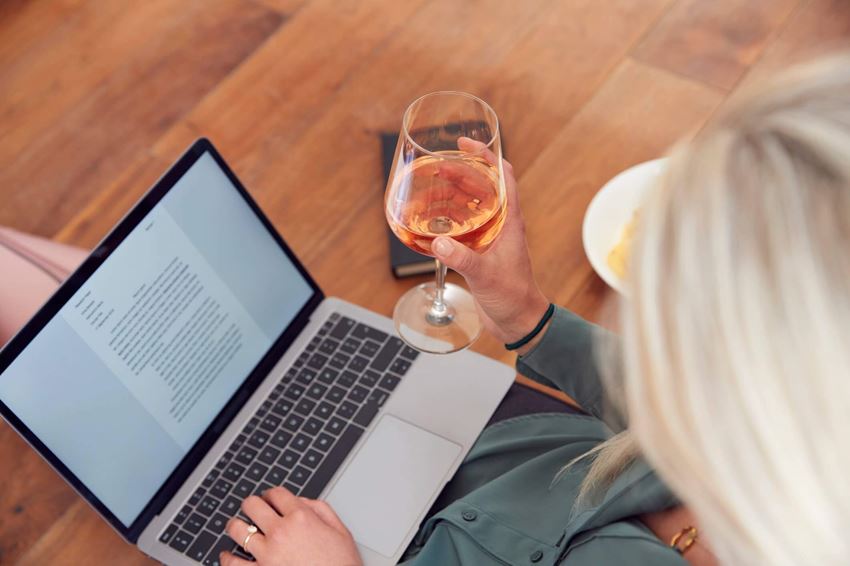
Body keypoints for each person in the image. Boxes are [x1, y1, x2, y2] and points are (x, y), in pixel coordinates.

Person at [2, 55, 846, 565]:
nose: (651, 350)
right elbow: (662, 404)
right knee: (135, 307)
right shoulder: (789, 439)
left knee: (68, 335)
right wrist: (526, 313)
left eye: (675, 325)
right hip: (492, 438)